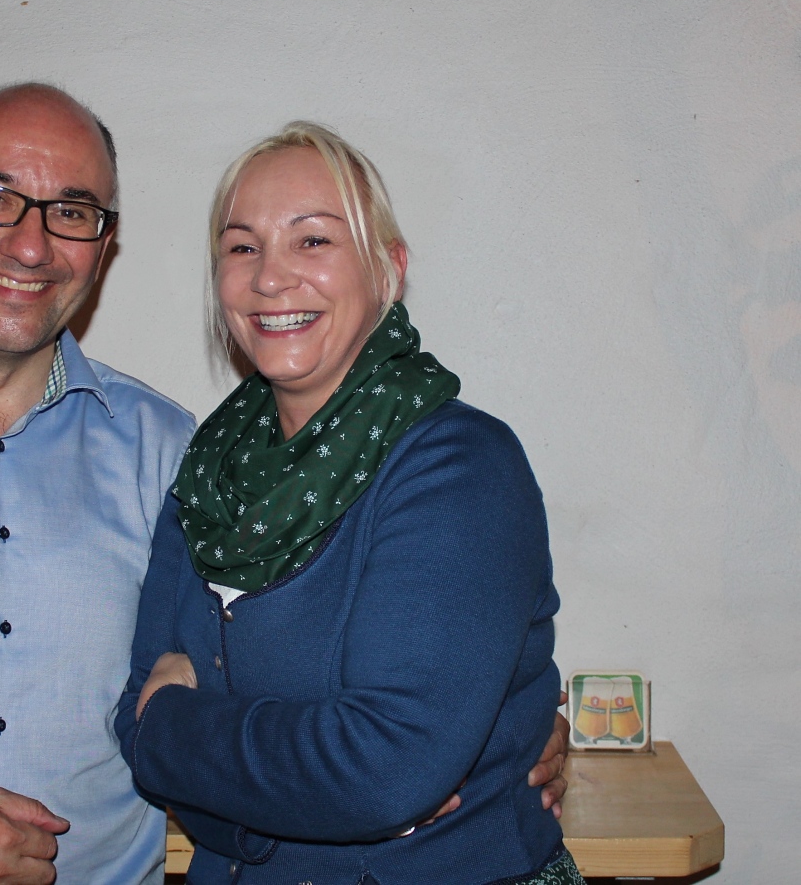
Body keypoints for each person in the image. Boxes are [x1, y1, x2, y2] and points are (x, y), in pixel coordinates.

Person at [0, 85, 568, 885]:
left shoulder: (173, 455)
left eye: (72, 210)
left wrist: (499, 717)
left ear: (102, 244)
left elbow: (350, 717)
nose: (30, 243)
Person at [116, 122, 585, 884]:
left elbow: (383, 773)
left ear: (386, 270)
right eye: (241, 247)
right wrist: (288, 794)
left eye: (312, 241)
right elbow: (129, 718)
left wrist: (173, 725)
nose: (270, 277)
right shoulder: (208, 472)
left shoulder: (458, 469)